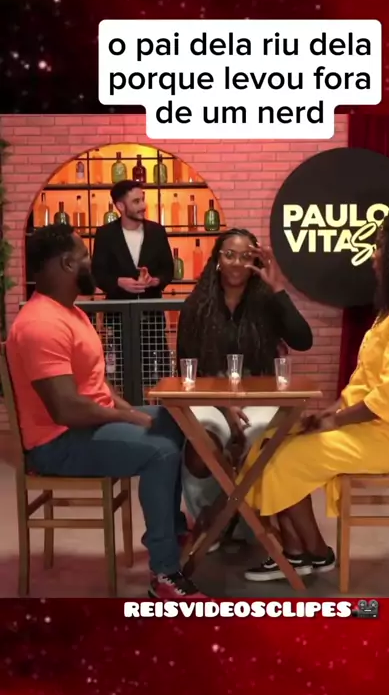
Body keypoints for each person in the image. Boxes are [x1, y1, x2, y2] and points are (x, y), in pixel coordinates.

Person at [238, 196, 389, 582]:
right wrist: (331, 412)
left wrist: (336, 421)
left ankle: (305, 552)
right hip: (372, 426)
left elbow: (388, 400)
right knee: (268, 444)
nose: (373, 256)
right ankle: (304, 550)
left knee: (285, 457)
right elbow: (365, 381)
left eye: (381, 248)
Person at [7, 224, 205, 599]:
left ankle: (171, 528)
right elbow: (66, 409)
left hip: (85, 427)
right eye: (84, 255)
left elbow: (95, 383)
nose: (92, 264)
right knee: (160, 451)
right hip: (57, 443)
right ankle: (164, 573)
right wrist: (132, 419)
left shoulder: (71, 313)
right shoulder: (40, 325)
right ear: (67, 264)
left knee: (177, 421)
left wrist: (131, 409)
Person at [176, 228, 313, 538]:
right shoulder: (196, 306)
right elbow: (187, 372)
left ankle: (220, 518)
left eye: (246, 256)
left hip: (260, 399)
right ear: (217, 260)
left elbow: (303, 340)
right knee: (200, 452)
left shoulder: (267, 302)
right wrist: (224, 405)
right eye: (229, 255)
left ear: (255, 263)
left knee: (262, 447)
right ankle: (232, 513)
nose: (237, 263)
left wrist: (278, 288)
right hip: (211, 399)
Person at [92, 180, 174, 385]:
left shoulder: (157, 231)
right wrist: (119, 282)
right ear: (120, 206)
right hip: (117, 319)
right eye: (136, 201)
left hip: (152, 317)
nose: (143, 205)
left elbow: (168, 270)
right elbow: (97, 273)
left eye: (143, 199)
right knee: (121, 376)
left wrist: (155, 281)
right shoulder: (105, 234)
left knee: (157, 377)